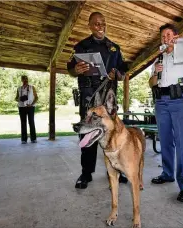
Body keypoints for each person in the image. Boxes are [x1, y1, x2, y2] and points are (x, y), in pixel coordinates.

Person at [67, 12, 128, 189]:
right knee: (87, 133)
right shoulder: (81, 46)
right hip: (88, 98)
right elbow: (70, 69)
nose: (100, 26)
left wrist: (116, 74)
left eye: (102, 23)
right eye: (96, 23)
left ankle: (117, 169)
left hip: (107, 101)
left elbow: (122, 73)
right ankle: (86, 173)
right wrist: (76, 69)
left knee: (113, 135)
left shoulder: (114, 48)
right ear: (90, 26)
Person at [149, 24, 183, 202]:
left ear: (175, 36)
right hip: (161, 101)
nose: (165, 38)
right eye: (162, 36)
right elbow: (151, 83)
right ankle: (167, 174)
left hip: (180, 101)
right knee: (165, 141)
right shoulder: (158, 58)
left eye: (168, 35)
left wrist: (181, 43)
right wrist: (155, 74)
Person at [15, 75, 38, 144]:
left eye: (26, 79)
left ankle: (33, 138)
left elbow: (36, 97)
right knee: (23, 123)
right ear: (21, 80)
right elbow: (16, 98)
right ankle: (24, 139)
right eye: (24, 79)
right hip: (21, 107)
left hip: (30, 107)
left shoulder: (32, 87)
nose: (25, 80)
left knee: (31, 122)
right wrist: (19, 99)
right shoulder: (19, 88)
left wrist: (31, 104)